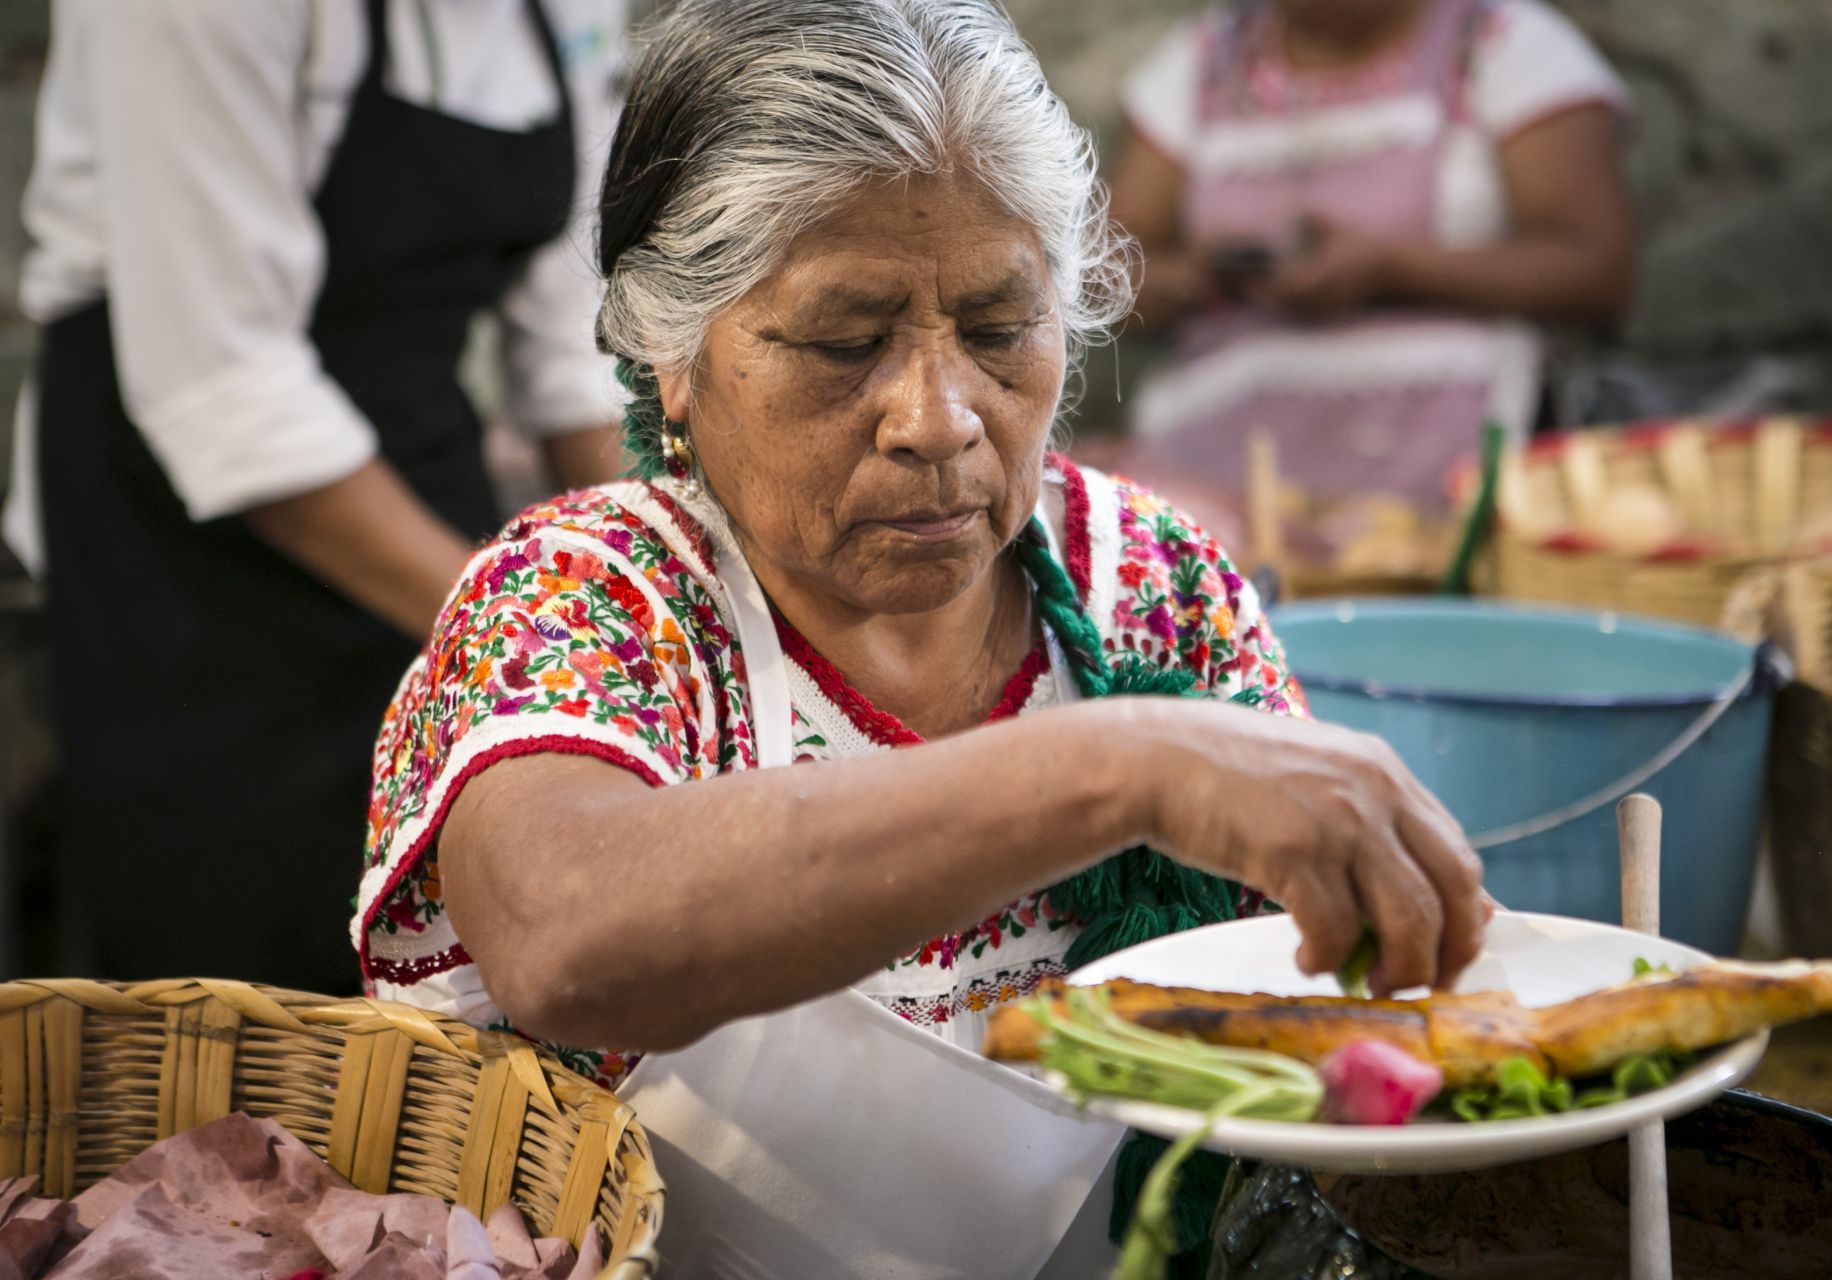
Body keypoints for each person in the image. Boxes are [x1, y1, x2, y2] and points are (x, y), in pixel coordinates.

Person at [354, 2, 1488, 1273]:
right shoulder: (588, 595)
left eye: (1002, 329)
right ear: (675, 354)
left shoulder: (1154, 587)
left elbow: (1304, 1005)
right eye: (846, 342)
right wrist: (1128, 768)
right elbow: (567, 936)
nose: (938, 418)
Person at [8, 0, 630, 992]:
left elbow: (576, 349)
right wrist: (522, 633)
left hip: (417, 480)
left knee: (443, 989)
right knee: (236, 1006)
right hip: (184, 562)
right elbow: (226, 387)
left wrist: (670, 599)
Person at [1100, 0, 1635, 550]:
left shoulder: (1500, 42)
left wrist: (1389, 269)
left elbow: (1594, 269)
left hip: (1450, 469)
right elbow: (1105, 276)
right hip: (1219, 466)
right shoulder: (1207, 59)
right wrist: (1205, 274)